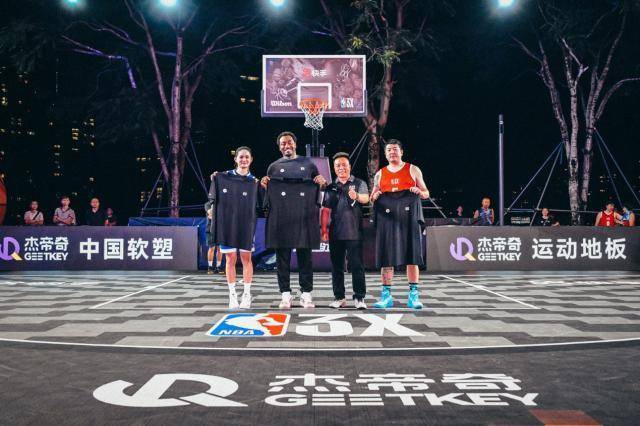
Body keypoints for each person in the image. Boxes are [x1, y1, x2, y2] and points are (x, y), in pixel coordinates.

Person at [261, 131, 327, 309]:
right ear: (279, 147)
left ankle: (306, 294)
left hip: (304, 219)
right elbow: (267, 199)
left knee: (305, 258)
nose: (286, 146)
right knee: (282, 259)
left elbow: (319, 192)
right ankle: (285, 295)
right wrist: (265, 186)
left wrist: (322, 183)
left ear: (295, 144)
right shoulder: (273, 167)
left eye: (289, 142)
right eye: (283, 143)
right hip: (281, 220)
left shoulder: (309, 164)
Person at [370, 139, 430, 310]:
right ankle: (386, 296)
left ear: (401, 152)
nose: (392, 152)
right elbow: (372, 197)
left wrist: (420, 191)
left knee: (412, 256)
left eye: (395, 149)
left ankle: (413, 295)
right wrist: (375, 196)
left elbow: (426, 193)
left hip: (409, 217)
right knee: (386, 257)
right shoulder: (380, 174)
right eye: (389, 150)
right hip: (388, 219)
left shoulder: (413, 169)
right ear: (385, 154)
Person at [209, 147, 260, 309]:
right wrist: (210, 207)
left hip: (246, 224)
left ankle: (246, 294)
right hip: (227, 224)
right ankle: (232, 295)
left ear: (251, 160)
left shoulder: (254, 182)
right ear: (236, 159)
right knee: (230, 259)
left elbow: (261, 204)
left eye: (247, 157)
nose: (244, 160)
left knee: (246, 259)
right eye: (241, 157)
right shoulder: (222, 177)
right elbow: (211, 199)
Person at [321, 152, 369, 310]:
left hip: (354, 232)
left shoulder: (359, 183)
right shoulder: (330, 187)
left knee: (357, 266)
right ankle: (339, 297)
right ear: (334, 168)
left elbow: (366, 198)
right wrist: (324, 230)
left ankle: (359, 298)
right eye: (338, 165)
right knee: (337, 267)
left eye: (344, 165)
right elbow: (325, 210)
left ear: (349, 166)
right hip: (335, 233)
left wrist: (357, 196)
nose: (341, 168)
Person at [204, 200, 224, 274]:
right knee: (211, 248)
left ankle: (218, 267)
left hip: (220, 229)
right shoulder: (207, 204)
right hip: (210, 229)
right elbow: (210, 213)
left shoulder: (221, 204)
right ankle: (210, 267)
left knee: (220, 249)